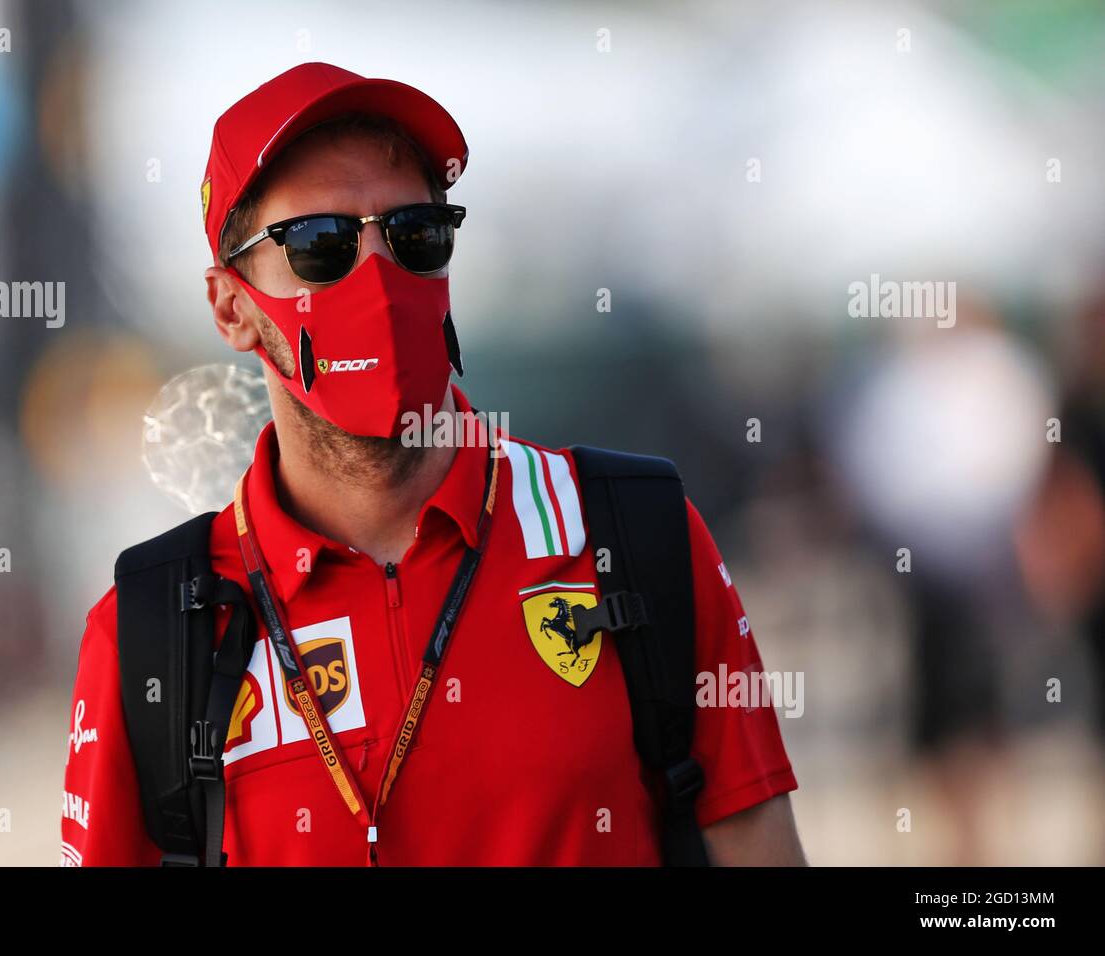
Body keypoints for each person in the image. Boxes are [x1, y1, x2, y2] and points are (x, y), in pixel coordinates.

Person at [61, 62, 805, 866]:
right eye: (321, 245)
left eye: (416, 233)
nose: (378, 278)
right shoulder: (152, 630)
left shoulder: (634, 533)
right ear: (231, 307)